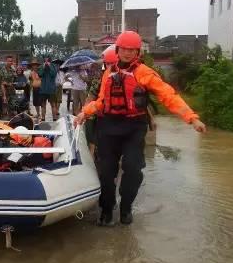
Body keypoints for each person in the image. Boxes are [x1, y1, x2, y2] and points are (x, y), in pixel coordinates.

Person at [74, 31, 206, 227]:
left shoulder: (145, 73)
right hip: (108, 126)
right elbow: (101, 101)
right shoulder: (108, 74)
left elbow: (168, 95)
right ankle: (107, 210)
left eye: (132, 50)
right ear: (118, 50)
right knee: (106, 171)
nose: (127, 53)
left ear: (137, 52)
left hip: (133, 127)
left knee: (133, 169)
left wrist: (191, 118)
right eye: (124, 49)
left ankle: (126, 207)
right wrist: (84, 113)